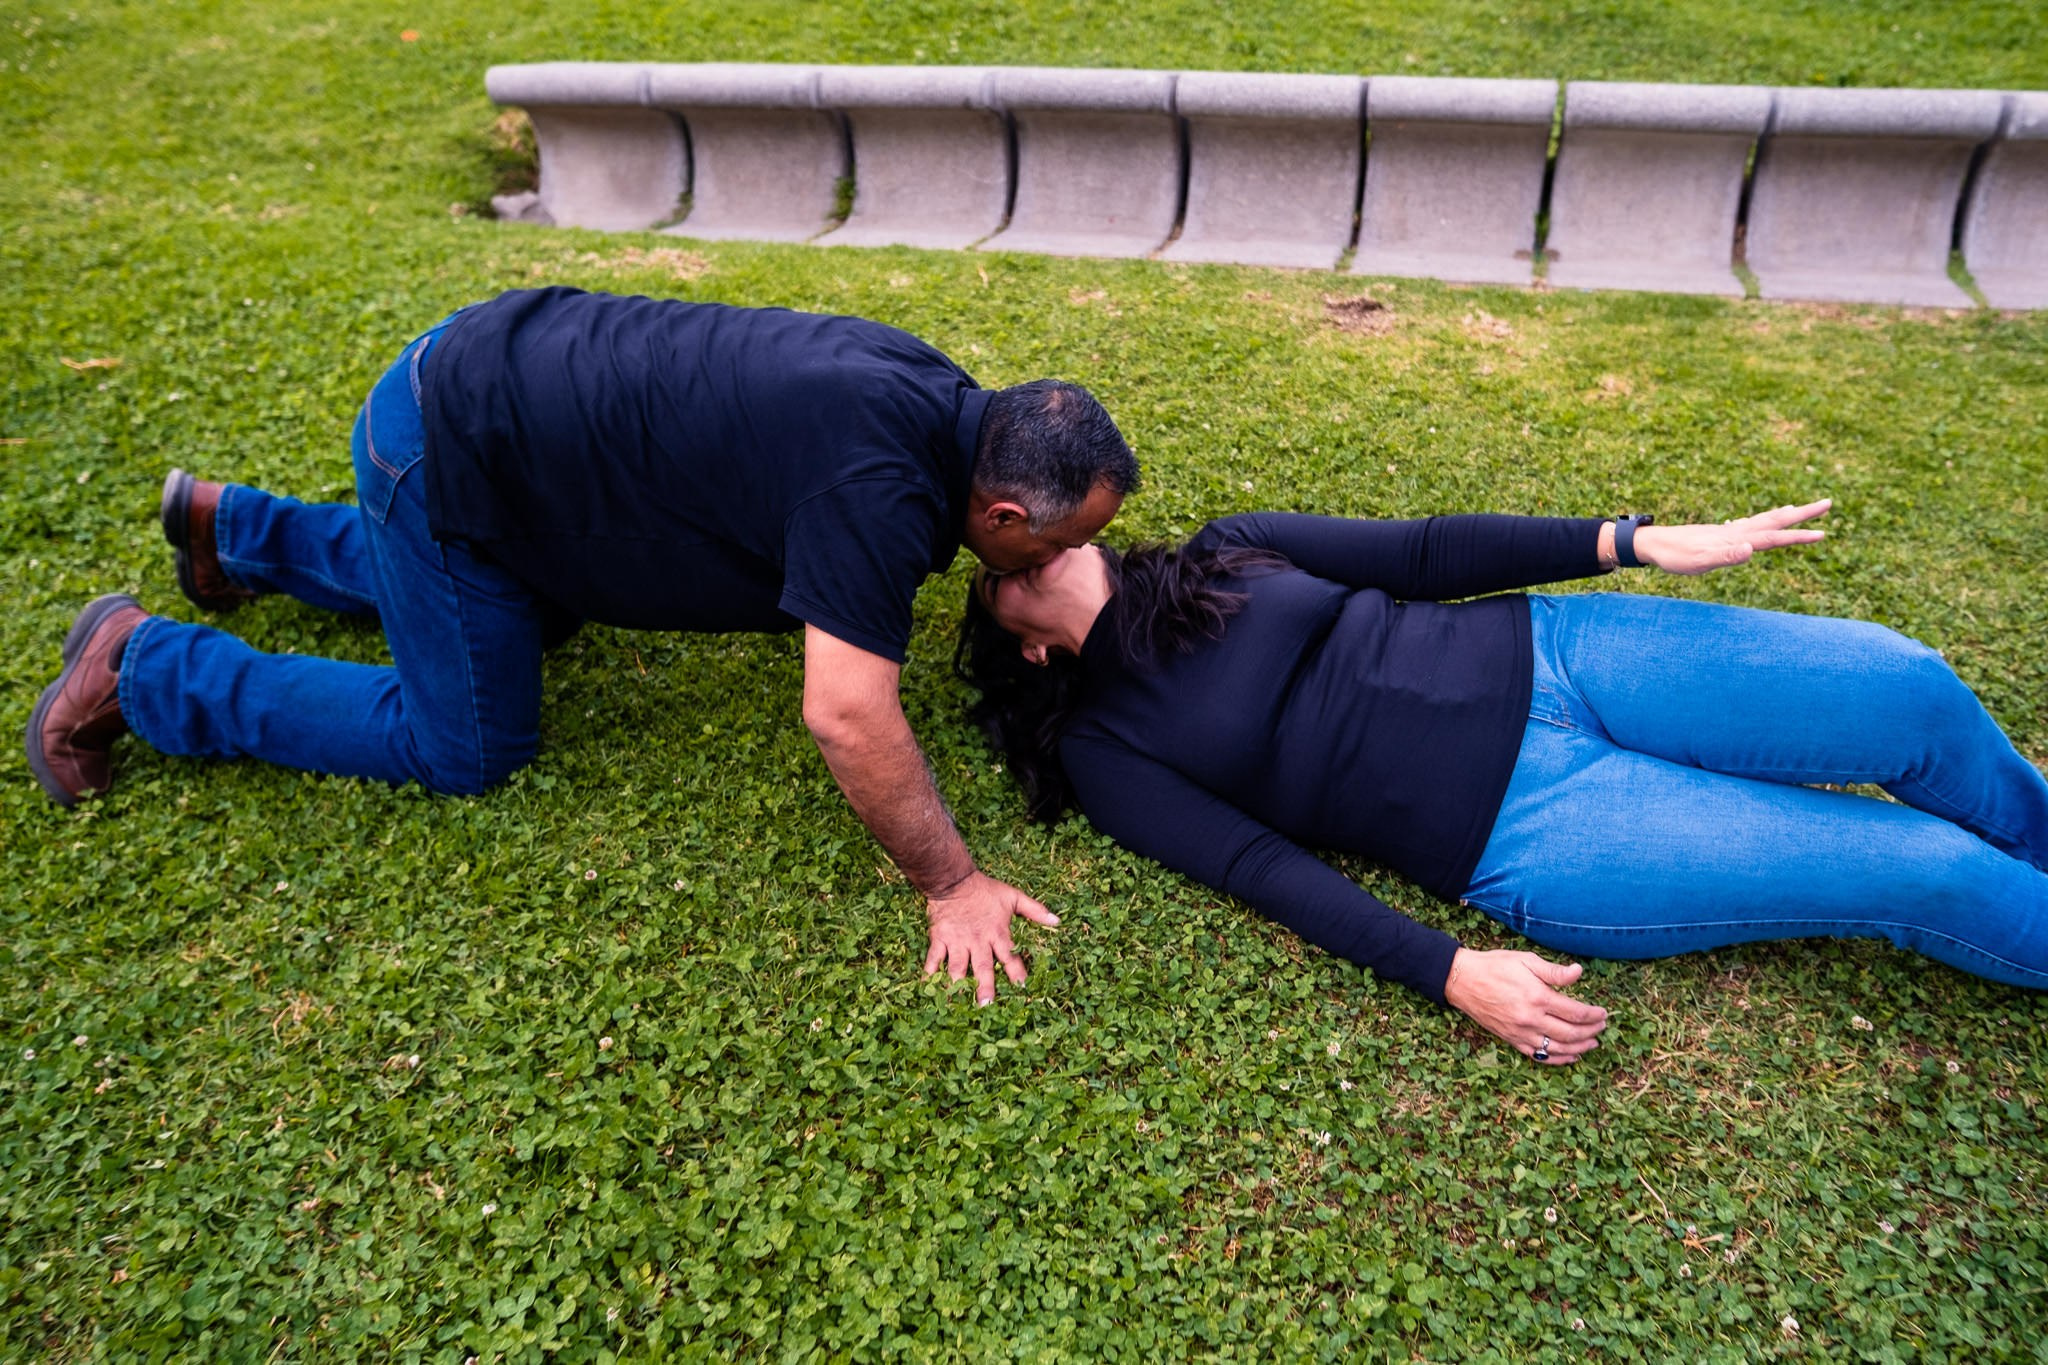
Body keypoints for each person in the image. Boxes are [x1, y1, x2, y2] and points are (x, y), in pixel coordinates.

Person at [27, 287, 1139, 1003]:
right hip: (447, 446)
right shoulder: (882, 496)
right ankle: (146, 668)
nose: (1052, 568)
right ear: (998, 515)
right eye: (1054, 549)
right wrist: (951, 882)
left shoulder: (932, 392)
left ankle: (237, 530)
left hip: (485, 375)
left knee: (522, 617)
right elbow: (846, 711)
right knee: (464, 743)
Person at [955, 500, 2048, 1062]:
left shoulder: (1227, 548)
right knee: (1920, 871)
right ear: (1030, 652)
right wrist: (1446, 972)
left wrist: (1627, 540)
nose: (1015, 563)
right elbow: (1254, 866)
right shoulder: (1105, 751)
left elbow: (1424, 554)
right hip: (1537, 827)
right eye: (996, 585)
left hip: (1563, 653)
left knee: (1903, 685)